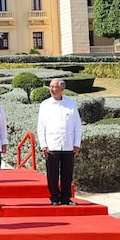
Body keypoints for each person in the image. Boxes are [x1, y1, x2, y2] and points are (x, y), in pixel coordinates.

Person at [37, 78, 82, 206]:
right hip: (52, 144)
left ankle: (66, 198)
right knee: (52, 174)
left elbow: (77, 125)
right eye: (50, 86)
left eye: (54, 87)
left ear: (62, 89)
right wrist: (43, 144)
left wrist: (76, 144)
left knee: (67, 174)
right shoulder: (45, 105)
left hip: (68, 144)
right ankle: (54, 198)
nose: (52, 89)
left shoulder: (71, 104)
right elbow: (41, 126)